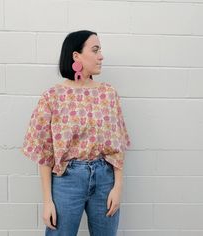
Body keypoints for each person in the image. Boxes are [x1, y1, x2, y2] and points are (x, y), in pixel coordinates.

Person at [21, 30, 131, 236]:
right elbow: (44, 153)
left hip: (104, 179)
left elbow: (118, 146)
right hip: (67, 179)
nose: (101, 56)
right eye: (95, 50)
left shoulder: (108, 93)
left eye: (100, 50)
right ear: (76, 56)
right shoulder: (53, 96)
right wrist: (47, 201)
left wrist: (118, 187)